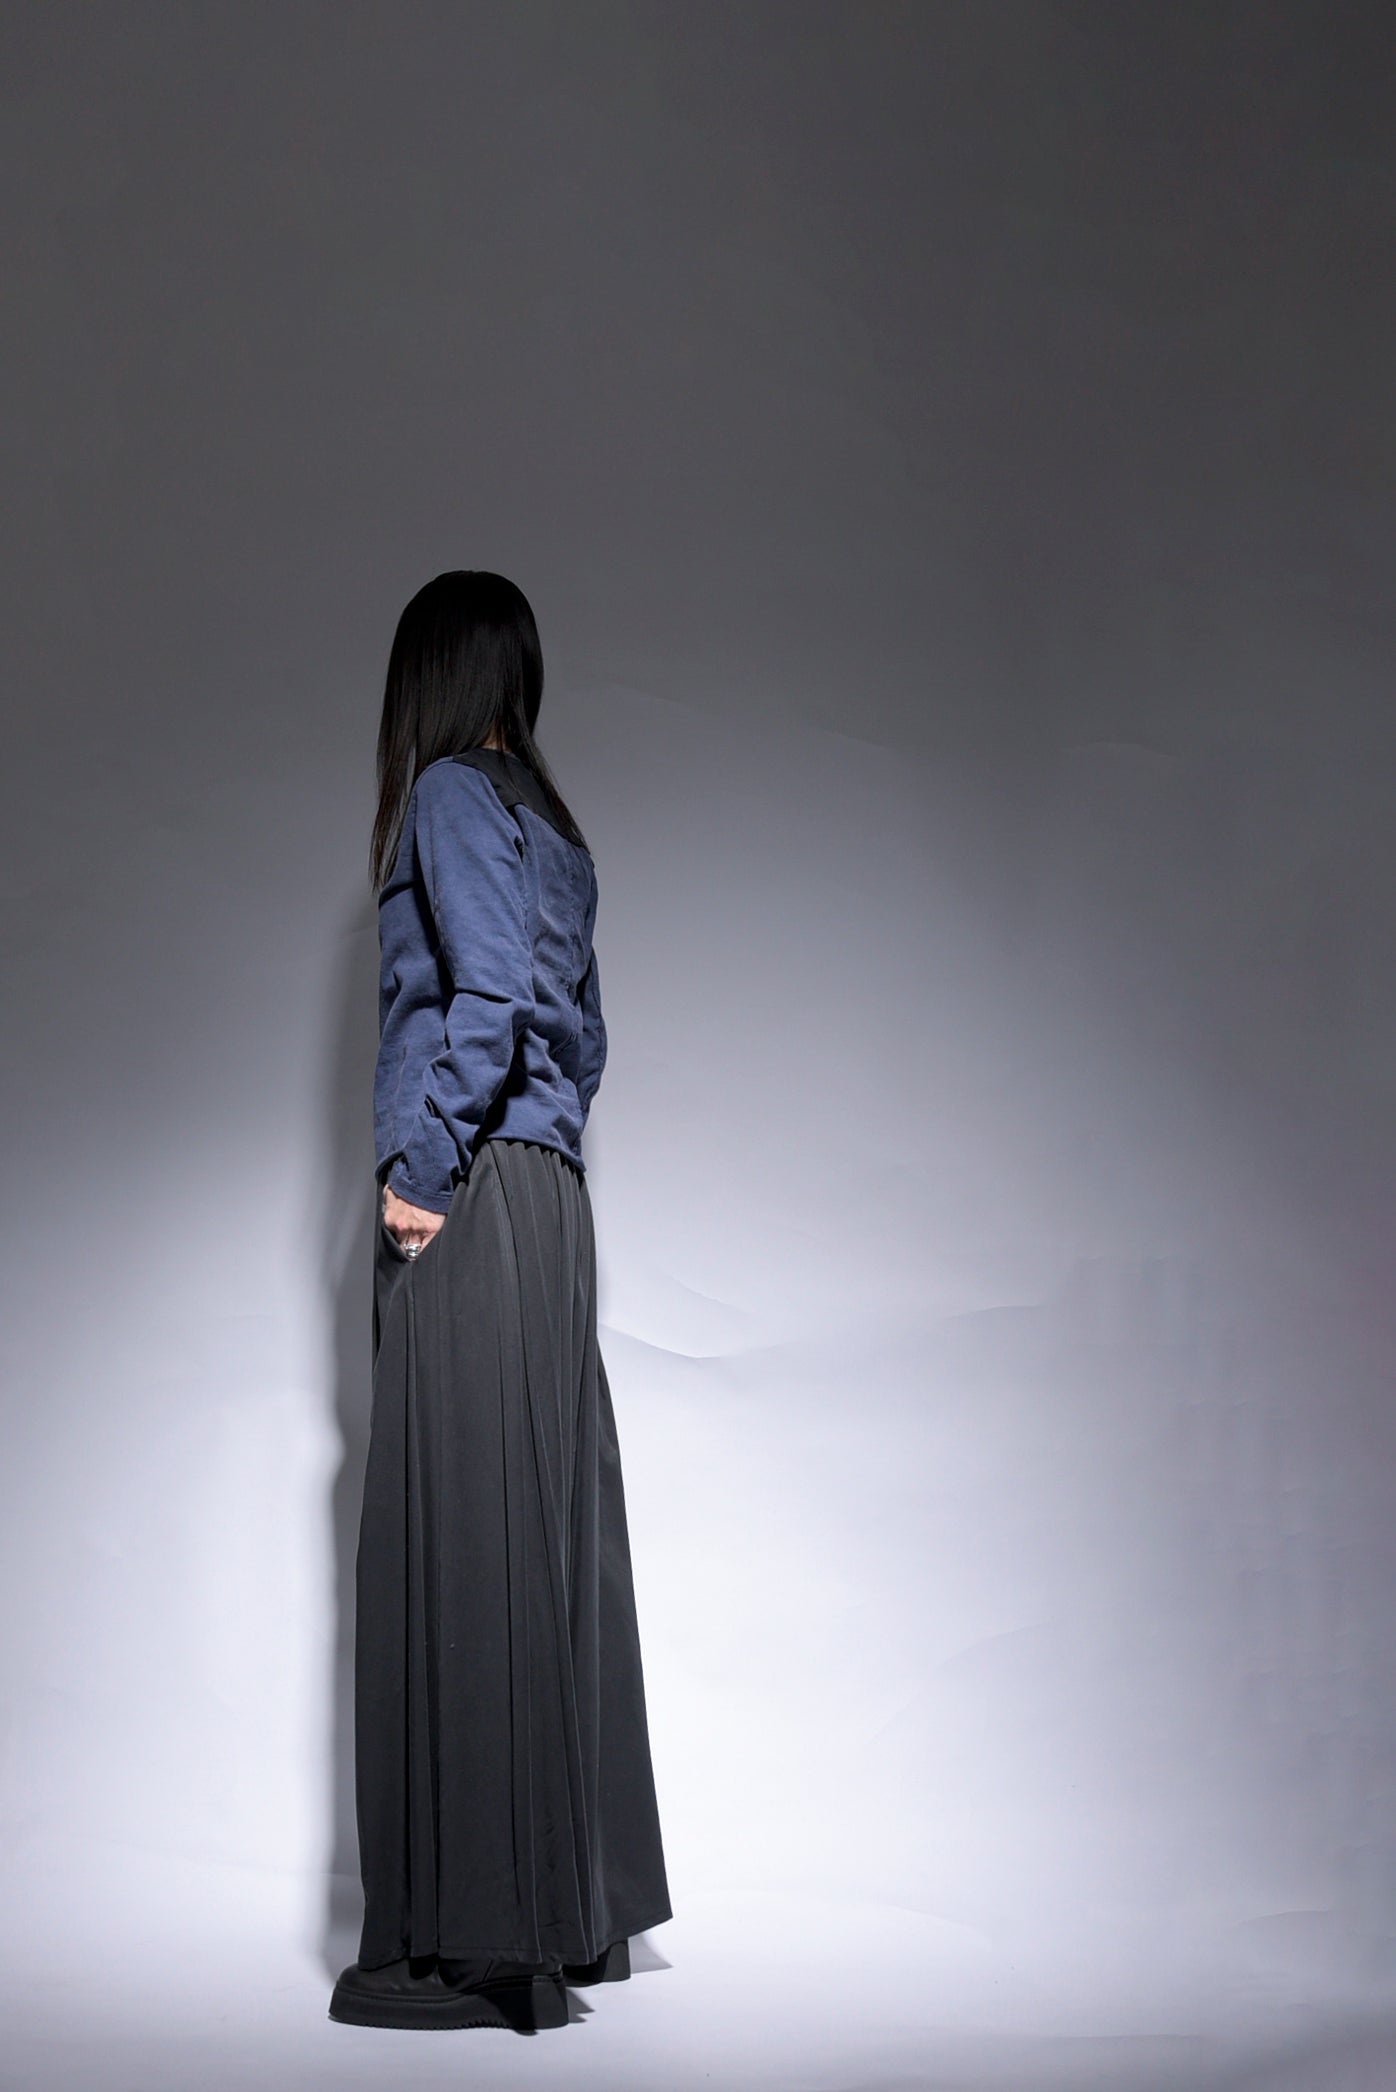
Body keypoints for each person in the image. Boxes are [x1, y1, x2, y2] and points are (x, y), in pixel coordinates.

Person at [329, 570, 672, 2034]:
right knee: (536, 1537)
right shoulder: (551, 824)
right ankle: (556, 1918)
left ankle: (477, 1941)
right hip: (548, 1197)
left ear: (429, 676)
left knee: (468, 1541)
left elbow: (488, 1003)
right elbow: (579, 1039)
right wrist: (535, 1150)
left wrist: (425, 1168)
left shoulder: (449, 799)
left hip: (470, 1186)